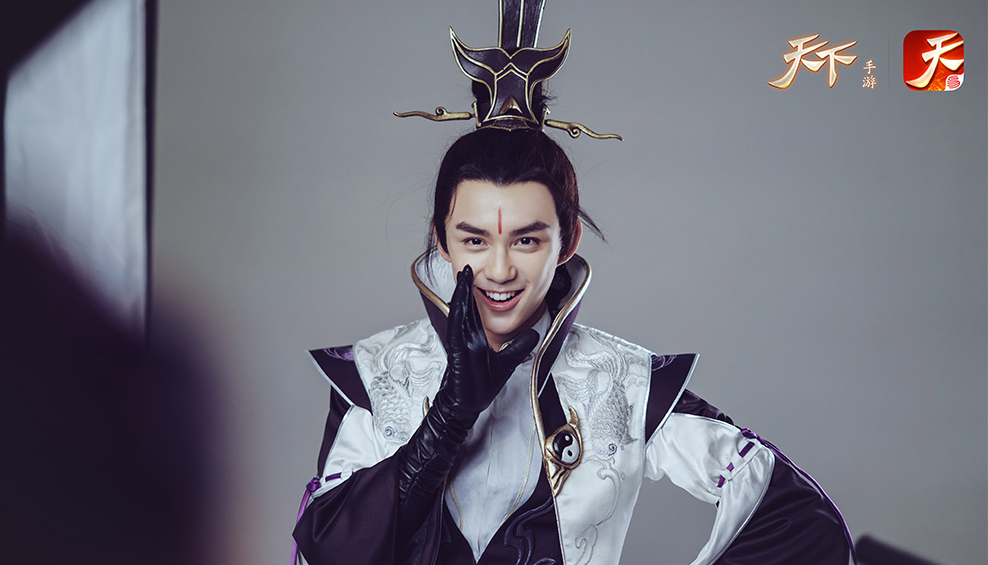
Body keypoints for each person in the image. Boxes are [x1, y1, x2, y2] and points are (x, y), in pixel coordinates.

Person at [292, 3, 855, 563]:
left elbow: (796, 516)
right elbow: (329, 550)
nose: (500, 270)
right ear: (441, 238)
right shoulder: (377, 373)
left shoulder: (621, 381)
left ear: (568, 242)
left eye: (527, 240)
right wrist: (448, 418)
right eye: (474, 240)